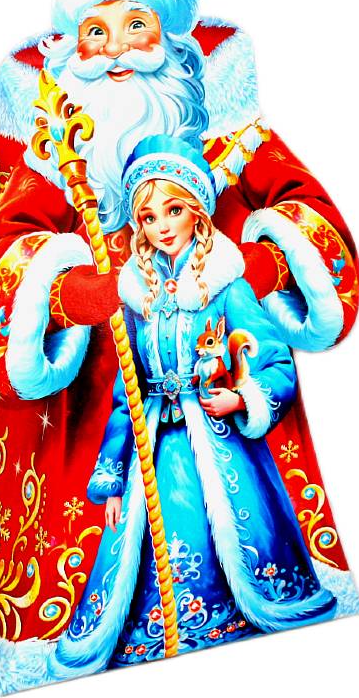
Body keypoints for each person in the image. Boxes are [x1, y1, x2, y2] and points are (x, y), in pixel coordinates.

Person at [0, 0, 359, 694]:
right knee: (114, 534)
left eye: (135, 26)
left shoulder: (225, 132)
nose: (117, 50)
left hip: (217, 375)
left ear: (170, 36)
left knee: (241, 522)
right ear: (73, 42)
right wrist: (90, 294)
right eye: (96, 31)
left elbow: (315, 224)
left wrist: (244, 265)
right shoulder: (57, 147)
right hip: (98, 398)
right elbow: (5, 264)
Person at [47, 135, 337, 680]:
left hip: (221, 442)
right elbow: (124, 396)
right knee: (139, 549)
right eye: (148, 216)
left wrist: (242, 397)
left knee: (225, 530)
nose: (162, 226)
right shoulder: (140, 299)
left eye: (173, 210)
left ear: (197, 212)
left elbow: (275, 362)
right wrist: (112, 481)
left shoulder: (227, 287)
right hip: (153, 443)